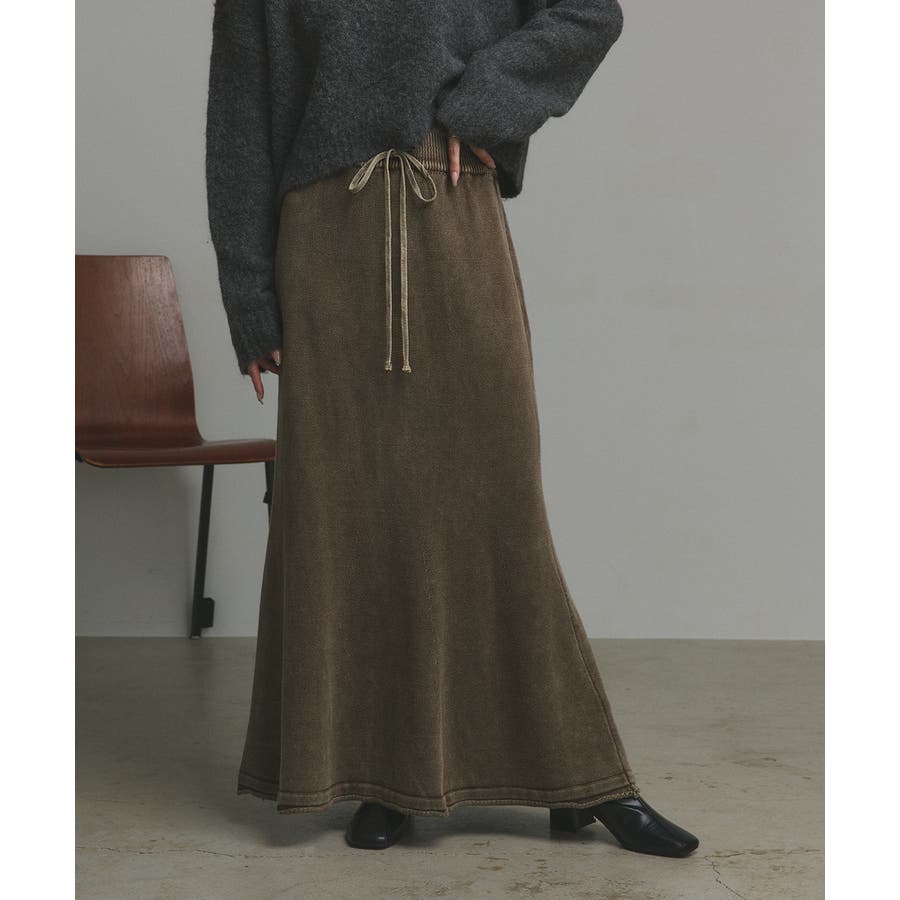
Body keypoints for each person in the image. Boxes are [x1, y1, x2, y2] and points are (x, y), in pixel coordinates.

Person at [206, 0, 699, 856]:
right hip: (325, 248)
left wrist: (486, 103)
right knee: (356, 520)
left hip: (452, 209)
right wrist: (249, 298)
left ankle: (582, 773)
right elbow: (240, 122)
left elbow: (588, 12)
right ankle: (388, 774)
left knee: (496, 508)